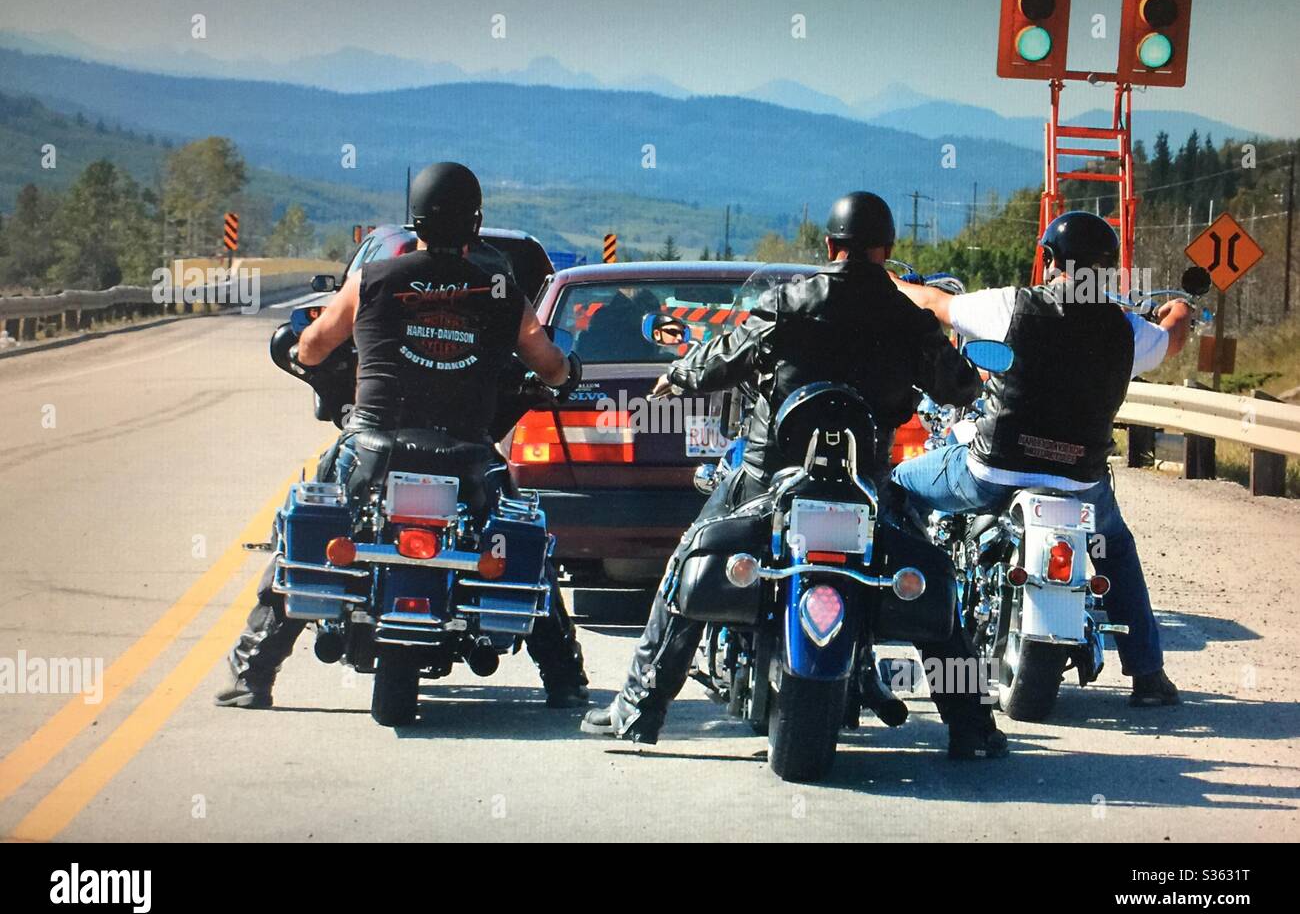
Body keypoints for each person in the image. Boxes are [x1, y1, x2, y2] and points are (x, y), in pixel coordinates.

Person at [581, 192, 1011, 759]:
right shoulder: (909, 319)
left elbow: (723, 357)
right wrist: (976, 381)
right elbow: (957, 386)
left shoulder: (789, 302)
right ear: (887, 250)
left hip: (769, 477)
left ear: (830, 245)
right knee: (934, 581)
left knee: (689, 558)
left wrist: (679, 376)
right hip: (866, 485)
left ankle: (638, 709)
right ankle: (973, 726)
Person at [215, 162, 590, 710]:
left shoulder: (372, 279)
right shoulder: (501, 288)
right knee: (518, 534)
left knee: (307, 526)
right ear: (476, 221)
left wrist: (303, 354)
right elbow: (548, 362)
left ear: (415, 219)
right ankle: (563, 677)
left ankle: (253, 672)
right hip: (465, 450)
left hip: (373, 445)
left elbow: (315, 344)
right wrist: (563, 374)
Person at [890, 210, 1192, 707]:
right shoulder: (1129, 332)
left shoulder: (1011, 306)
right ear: (1108, 269)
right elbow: (1174, 337)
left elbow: (935, 303)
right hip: (1080, 482)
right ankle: (1148, 676)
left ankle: (910, 604)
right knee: (1116, 547)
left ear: (1048, 260)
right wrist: (1179, 309)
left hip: (992, 471)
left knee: (901, 482)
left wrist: (889, 280)